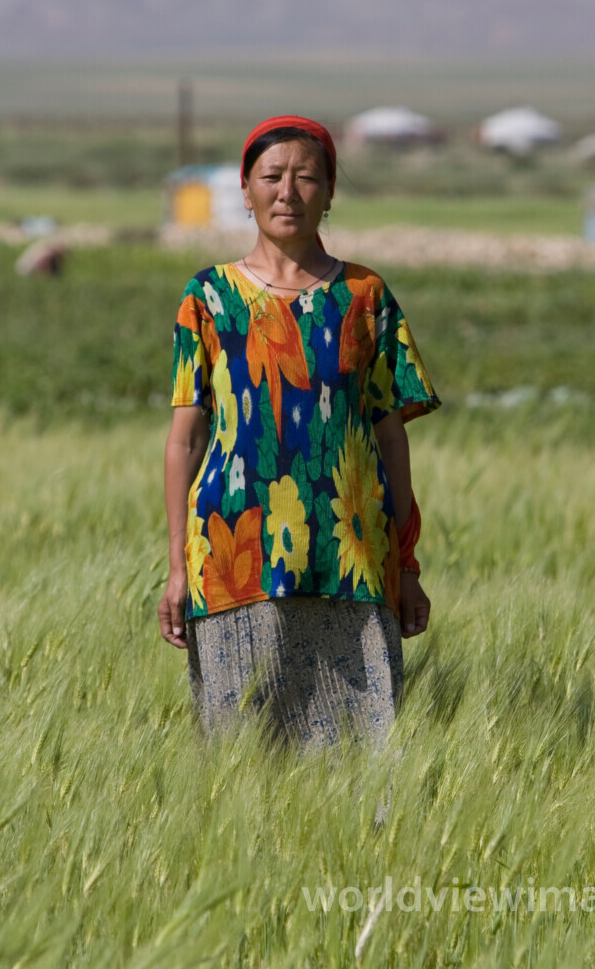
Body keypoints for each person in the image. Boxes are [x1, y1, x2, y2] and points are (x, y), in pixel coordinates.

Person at [157, 114, 440, 750]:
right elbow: (184, 439)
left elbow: (391, 436)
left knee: (364, 760)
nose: (288, 192)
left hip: (352, 560)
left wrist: (407, 561)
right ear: (245, 188)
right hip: (234, 560)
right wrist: (178, 568)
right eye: (272, 177)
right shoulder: (208, 297)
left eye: (307, 177)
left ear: (331, 191)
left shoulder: (366, 297)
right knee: (239, 763)